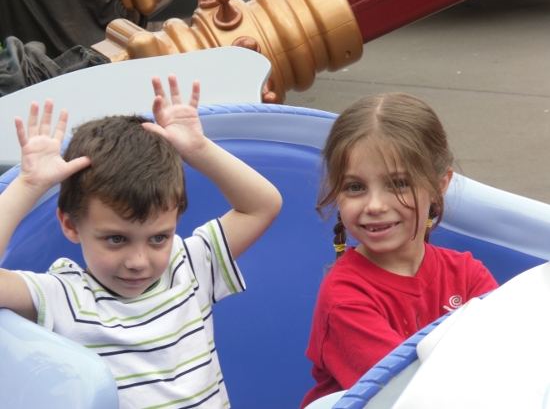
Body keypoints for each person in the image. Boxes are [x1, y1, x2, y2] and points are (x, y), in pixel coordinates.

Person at [0, 74, 282, 409]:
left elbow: (263, 205)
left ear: (176, 220)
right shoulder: (63, 296)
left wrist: (199, 150)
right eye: (116, 239)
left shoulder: (188, 265)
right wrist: (28, 185)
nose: (138, 261)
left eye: (158, 238)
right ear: (71, 225)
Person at [300, 92, 498, 408]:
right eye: (355, 187)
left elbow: (507, 363)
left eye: (398, 183)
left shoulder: (467, 275)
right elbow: (408, 396)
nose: (375, 206)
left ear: (439, 184)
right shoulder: (345, 298)